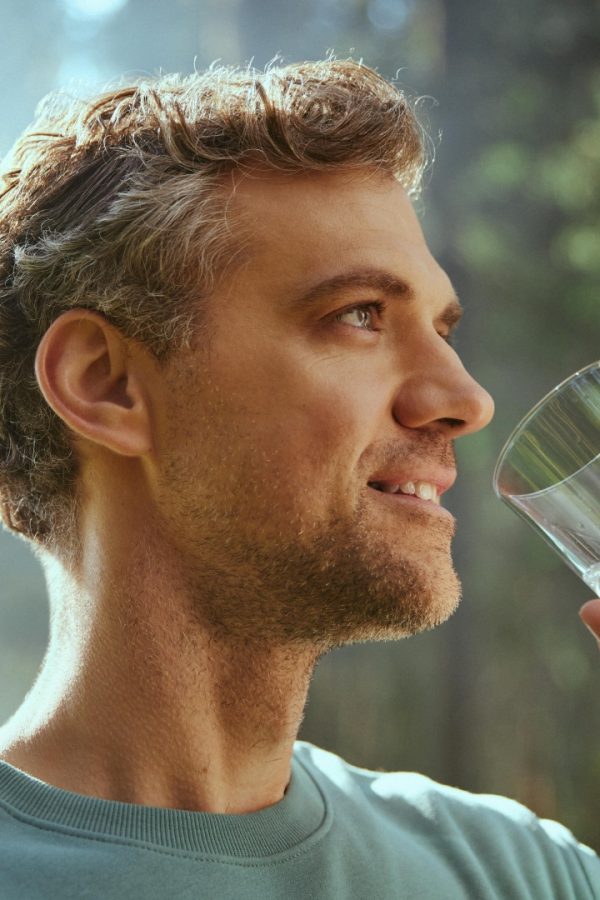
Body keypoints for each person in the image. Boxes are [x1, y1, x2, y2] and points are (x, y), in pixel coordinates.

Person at [0, 58, 598, 899]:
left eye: (442, 327)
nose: (467, 398)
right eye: (359, 314)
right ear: (107, 383)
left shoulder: (522, 872)